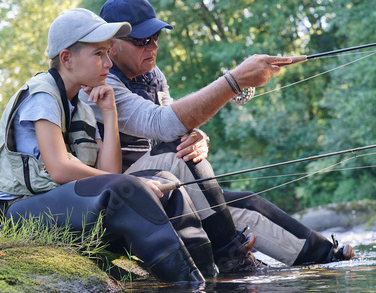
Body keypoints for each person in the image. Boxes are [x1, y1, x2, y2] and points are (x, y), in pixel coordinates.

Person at [82, 0, 354, 271]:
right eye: (142, 40)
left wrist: (198, 136)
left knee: (243, 204)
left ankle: (330, 258)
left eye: (156, 37)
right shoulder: (100, 83)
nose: (153, 46)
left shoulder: (153, 74)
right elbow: (162, 125)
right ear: (112, 44)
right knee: (179, 153)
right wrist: (234, 81)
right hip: (118, 196)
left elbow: (175, 125)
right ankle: (231, 258)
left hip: (164, 184)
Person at [0, 8, 224, 283]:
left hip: (60, 204)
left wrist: (109, 112)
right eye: (99, 54)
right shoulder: (43, 94)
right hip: (19, 212)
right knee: (128, 187)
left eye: (108, 53)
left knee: (167, 182)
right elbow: (60, 169)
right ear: (67, 59)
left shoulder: (82, 103)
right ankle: (188, 286)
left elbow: (109, 170)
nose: (109, 63)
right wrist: (131, 186)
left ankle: (209, 278)